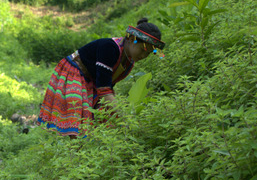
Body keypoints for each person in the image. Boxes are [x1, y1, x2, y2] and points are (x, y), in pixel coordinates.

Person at [37, 18, 165, 136]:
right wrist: (125, 116)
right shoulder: (110, 48)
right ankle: (77, 154)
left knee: (103, 119)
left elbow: (106, 87)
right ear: (132, 39)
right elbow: (104, 90)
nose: (144, 56)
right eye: (143, 50)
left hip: (93, 81)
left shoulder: (128, 62)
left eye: (149, 53)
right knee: (79, 120)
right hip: (74, 72)